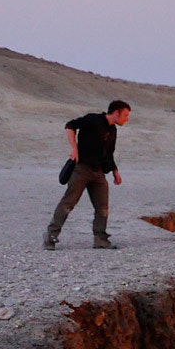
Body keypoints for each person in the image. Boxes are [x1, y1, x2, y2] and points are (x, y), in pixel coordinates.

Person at [46, 100, 131, 250]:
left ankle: (100, 239)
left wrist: (115, 172)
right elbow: (70, 126)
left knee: (102, 207)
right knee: (68, 204)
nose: (127, 119)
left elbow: (109, 153)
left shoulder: (113, 130)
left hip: (98, 172)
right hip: (82, 169)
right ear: (116, 112)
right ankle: (51, 236)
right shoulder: (93, 120)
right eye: (125, 115)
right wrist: (74, 149)